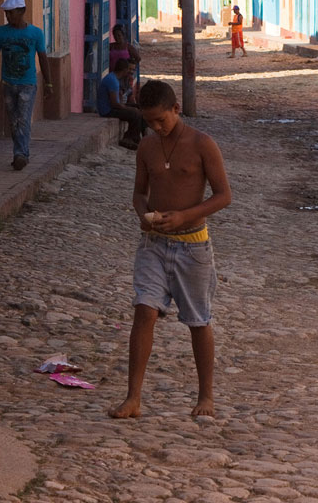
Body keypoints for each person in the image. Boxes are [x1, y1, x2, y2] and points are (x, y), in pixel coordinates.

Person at [109, 80, 232, 420]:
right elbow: (138, 194)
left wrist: (184, 217)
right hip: (153, 244)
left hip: (193, 247)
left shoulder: (202, 144)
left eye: (161, 120)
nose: (157, 127)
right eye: (150, 121)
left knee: (197, 320)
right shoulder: (147, 147)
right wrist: (143, 216)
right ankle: (133, 397)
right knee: (144, 310)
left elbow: (223, 195)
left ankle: (205, 395)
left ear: (176, 109)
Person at [0, 0, 51, 171]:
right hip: (8, 83)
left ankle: (21, 154)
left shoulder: (35, 33)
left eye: (11, 13)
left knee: (23, 119)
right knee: (13, 121)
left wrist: (49, 83)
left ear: (22, 12)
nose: (8, 17)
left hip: (27, 83)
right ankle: (19, 153)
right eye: (6, 13)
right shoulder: (1, 32)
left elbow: (42, 58)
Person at [97, 59, 145, 150]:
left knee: (139, 109)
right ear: (124, 70)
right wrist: (126, 108)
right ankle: (129, 138)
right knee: (135, 114)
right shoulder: (112, 81)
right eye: (128, 69)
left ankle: (138, 137)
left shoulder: (114, 78)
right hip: (107, 110)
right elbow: (114, 103)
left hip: (112, 107)